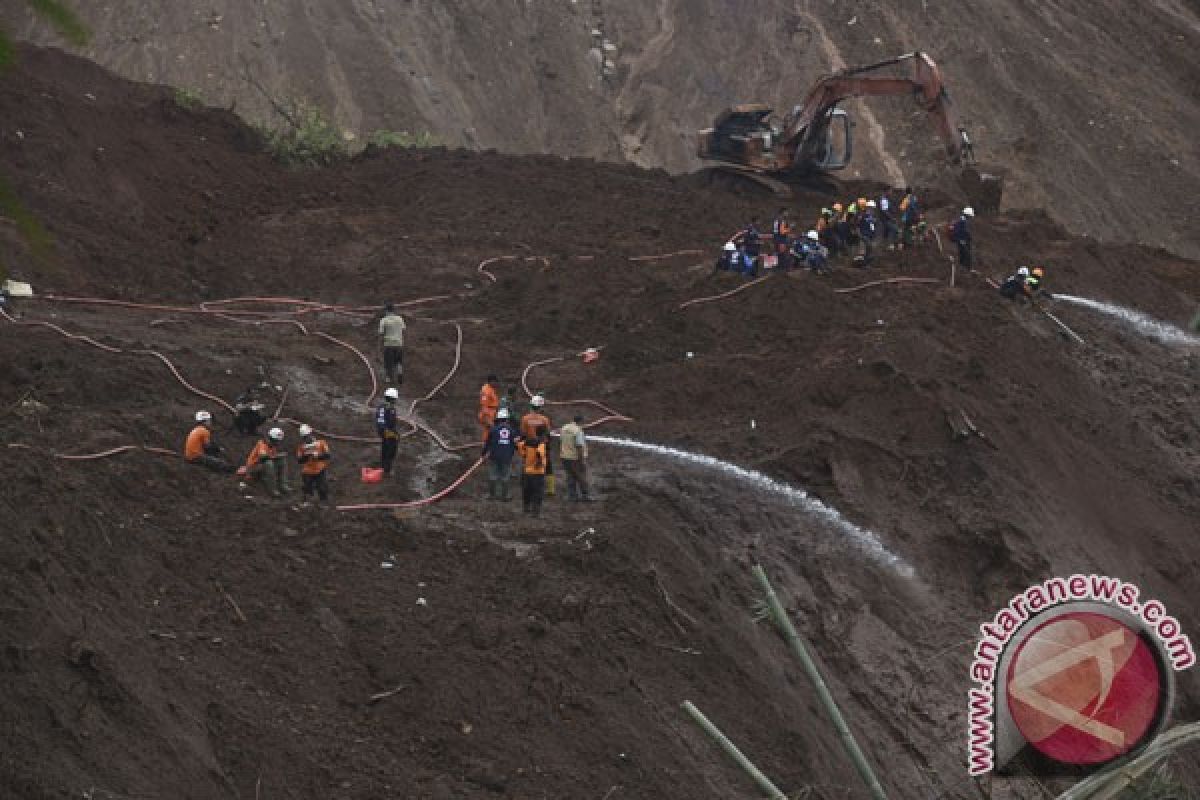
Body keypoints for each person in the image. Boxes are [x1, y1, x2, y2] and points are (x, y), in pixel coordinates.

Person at [520, 394, 554, 496]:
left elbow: (522, 433)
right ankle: (550, 490)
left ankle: (526, 486)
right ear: (540, 407)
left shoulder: (525, 418)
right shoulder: (544, 419)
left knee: (527, 465)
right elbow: (548, 433)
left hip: (529, 445)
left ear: (531, 406)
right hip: (542, 445)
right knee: (548, 467)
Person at [481, 407, 518, 501]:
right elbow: (515, 444)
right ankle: (505, 496)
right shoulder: (512, 431)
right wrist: (512, 453)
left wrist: (483, 454)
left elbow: (487, 443)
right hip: (506, 457)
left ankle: (492, 495)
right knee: (505, 476)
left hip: (494, 455)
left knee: (493, 475)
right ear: (507, 419)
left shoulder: (493, 430)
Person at [241, 427, 290, 497]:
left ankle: (283, 485)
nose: (279, 442)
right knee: (268, 463)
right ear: (273, 439)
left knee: (282, 460)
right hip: (253, 467)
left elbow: (272, 457)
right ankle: (272, 490)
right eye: (278, 441)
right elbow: (263, 457)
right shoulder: (262, 443)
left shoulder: (272, 446)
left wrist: (278, 456)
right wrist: (277, 456)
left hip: (261, 467)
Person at [295, 423, 332, 506]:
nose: (306, 438)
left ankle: (324, 501)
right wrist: (306, 456)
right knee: (307, 488)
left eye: (307, 436)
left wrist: (318, 456)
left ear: (311, 434)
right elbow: (299, 460)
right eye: (304, 437)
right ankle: (307, 502)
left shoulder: (321, 443)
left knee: (322, 487)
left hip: (320, 469)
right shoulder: (301, 447)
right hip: (307, 471)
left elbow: (328, 455)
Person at [559, 414, 592, 502]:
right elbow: (579, 446)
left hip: (564, 457)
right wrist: (582, 460)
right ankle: (585, 495)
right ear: (580, 421)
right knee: (581, 476)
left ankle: (572, 496)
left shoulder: (564, 427)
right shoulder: (578, 431)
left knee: (570, 476)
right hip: (575, 458)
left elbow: (561, 441)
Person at [518, 425, 549, 514]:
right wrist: (538, 463)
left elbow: (520, 446)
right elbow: (540, 453)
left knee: (527, 491)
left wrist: (524, 455)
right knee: (537, 492)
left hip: (527, 471)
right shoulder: (541, 443)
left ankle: (526, 508)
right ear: (543, 434)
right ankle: (536, 512)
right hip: (538, 472)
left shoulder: (527, 441)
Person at [378, 303, 407, 385]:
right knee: (398, 361)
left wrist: (380, 344)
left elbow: (381, 333)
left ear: (386, 310)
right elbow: (403, 330)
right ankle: (400, 374)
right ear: (394, 310)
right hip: (399, 344)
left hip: (388, 344)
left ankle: (388, 378)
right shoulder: (400, 319)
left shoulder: (384, 320)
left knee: (388, 362)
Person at [375, 387, 401, 476]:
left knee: (385, 446)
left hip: (383, 431)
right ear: (393, 399)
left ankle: (383, 466)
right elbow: (388, 422)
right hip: (387, 432)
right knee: (391, 450)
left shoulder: (382, 407)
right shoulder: (390, 408)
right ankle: (387, 470)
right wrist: (393, 433)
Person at [478, 374, 500, 441]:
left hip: (491, 412)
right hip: (488, 414)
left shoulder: (490, 388)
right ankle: (486, 444)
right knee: (489, 429)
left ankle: (487, 444)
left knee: (489, 430)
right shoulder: (486, 390)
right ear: (491, 381)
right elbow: (484, 404)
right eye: (495, 382)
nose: (496, 383)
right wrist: (487, 418)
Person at [858, 200, 878, 266]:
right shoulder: (863, 216)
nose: (872, 210)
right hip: (865, 235)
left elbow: (873, 227)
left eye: (873, 209)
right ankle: (862, 262)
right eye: (871, 209)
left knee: (870, 250)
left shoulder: (872, 217)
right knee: (866, 250)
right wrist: (860, 234)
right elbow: (859, 225)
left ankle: (866, 262)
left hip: (870, 236)